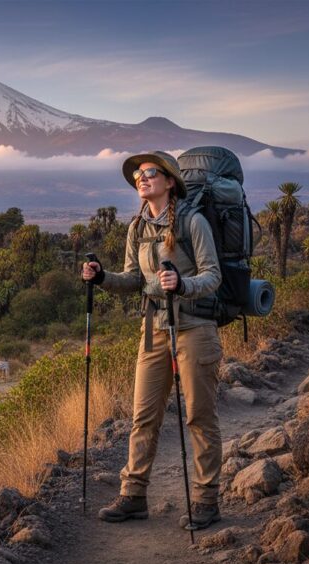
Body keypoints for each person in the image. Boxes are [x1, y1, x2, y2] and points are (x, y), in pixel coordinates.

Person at [81, 151, 223, 530]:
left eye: (149, 173)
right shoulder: (137, 227)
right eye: (138, 176)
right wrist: (101, 278)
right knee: (143, 416)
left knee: (199, 416)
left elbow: (213, 276)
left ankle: (207, 501)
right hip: (154, 329)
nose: (141, 179)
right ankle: (134, 496)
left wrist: (183, 284)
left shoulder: (192, 222)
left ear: (169, 181)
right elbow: (133, 280)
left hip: (194, 328)